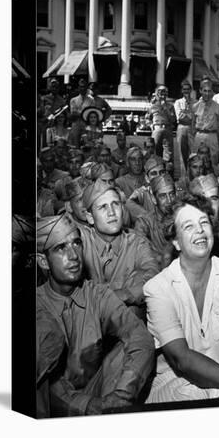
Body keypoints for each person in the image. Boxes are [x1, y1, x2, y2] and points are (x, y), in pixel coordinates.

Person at [36, 214, 155, 417]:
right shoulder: (37, 306)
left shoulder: (97, 295)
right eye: (60, 248)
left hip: (99, 391)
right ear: (43, 261)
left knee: (125, 346)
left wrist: (122, 395)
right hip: (52, 406)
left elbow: (139, 337)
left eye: (76, 243)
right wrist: (88, 405)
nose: (73, 255)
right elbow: (47, 385)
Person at [143, 195, 219, 403]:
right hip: (175, 385)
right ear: (176, 241)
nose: (200, 231)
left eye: (204, 222)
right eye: (188, 226)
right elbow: (180, 358)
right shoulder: (157, 288)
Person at [81, 181, 159, 318]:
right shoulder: (80, 243)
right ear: (90, 218)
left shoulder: (136, 243)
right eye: (103, 207)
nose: (111, 213)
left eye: (115, 204)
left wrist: (124, 294)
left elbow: (153, 276)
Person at [134, 173, 176, 270]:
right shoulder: (144, 222)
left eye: (172, 194)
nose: (169, 201)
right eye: (163, 196)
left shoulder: (183, 217)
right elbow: (141, 254)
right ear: (154, 199)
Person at [192, 78, 219, 169]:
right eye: (205, 91)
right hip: (199, 135)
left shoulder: (217, 107)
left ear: (212, 92)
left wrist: (217, 140)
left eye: (209, 91)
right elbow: (192, 125)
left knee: (213, 161)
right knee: (197, 160)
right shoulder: (195, 106)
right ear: (200, 91)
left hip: (212, 136)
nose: (207, 93)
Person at [147, 85, 176, 162]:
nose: (162, 95)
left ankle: (168, 171)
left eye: (164, 93)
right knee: (155, 152)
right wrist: (151, 126)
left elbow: (173, 119)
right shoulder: (152, 106)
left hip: (167, 129)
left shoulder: (170, 106)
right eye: (160, 93)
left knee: (168, 154)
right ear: (157, 94)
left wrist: (165, 108)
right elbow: (147, 118)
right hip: (157, 129)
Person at [174, 80, 195, 176]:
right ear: (182, 91)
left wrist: (186, 113)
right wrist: (189, 114)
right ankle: (183, 177)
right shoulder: (178, 102)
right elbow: (180, 117)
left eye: (188, 89)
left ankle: (192, 176)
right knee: (182, 154)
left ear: (190, 90)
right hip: (182, 128)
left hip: (192, 128)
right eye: (184, 89)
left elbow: (194, 117)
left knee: (193, 153)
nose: (186, 91)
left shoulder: (195, 102)